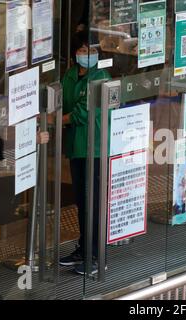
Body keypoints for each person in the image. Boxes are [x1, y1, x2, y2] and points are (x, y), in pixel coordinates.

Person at [58, 31, 111, 275]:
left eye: (91, 51)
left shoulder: (100, 76)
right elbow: (61, 101)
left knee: (95, 202)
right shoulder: (69, 75)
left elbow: (83, 112)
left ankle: (97, 256)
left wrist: (56, 119)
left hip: (95, 148)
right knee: (82, 201)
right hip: (76, 148)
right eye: (82, 50)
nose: (86, 55)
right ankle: (84, 248)